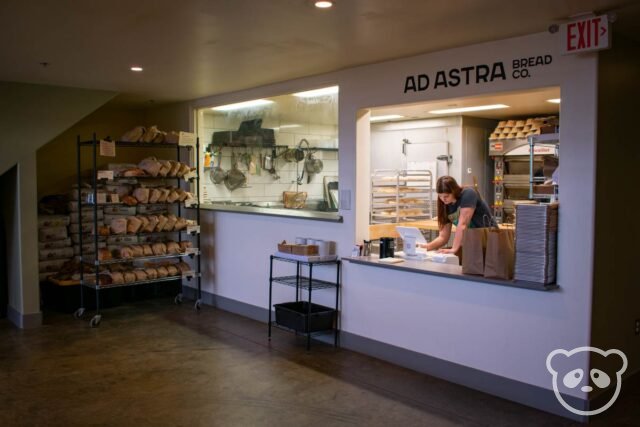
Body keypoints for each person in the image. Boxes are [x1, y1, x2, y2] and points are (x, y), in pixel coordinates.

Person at [422, 176, 493, 254]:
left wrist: (454, 248)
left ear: (454, 191)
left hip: (489, 239)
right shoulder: (445, 205)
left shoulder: (469, 193)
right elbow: (443, 237)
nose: (443, 199)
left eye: (446, 196)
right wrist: (426, 247)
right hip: (472, 242)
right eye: (440, 196)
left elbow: (463, 224)